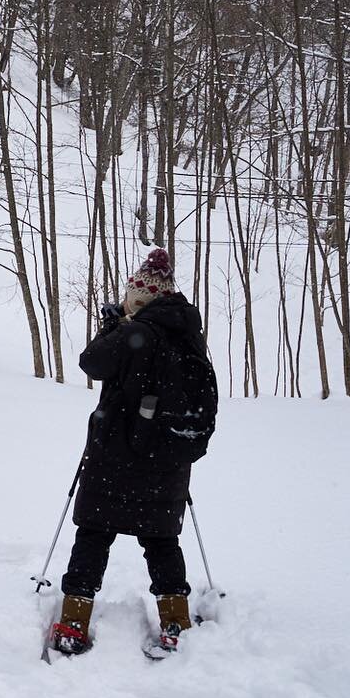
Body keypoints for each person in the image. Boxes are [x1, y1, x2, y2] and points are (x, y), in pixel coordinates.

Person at [52, 249, 212, 657]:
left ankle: (73, 622)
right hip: (167, 462)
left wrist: (112, 327)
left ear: (138, 299)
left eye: (131, 297)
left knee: (93, 535)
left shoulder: (133, 333)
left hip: (116, 459)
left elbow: (91, 362)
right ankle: (175, 621)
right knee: (161, 541)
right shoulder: (186, 331)